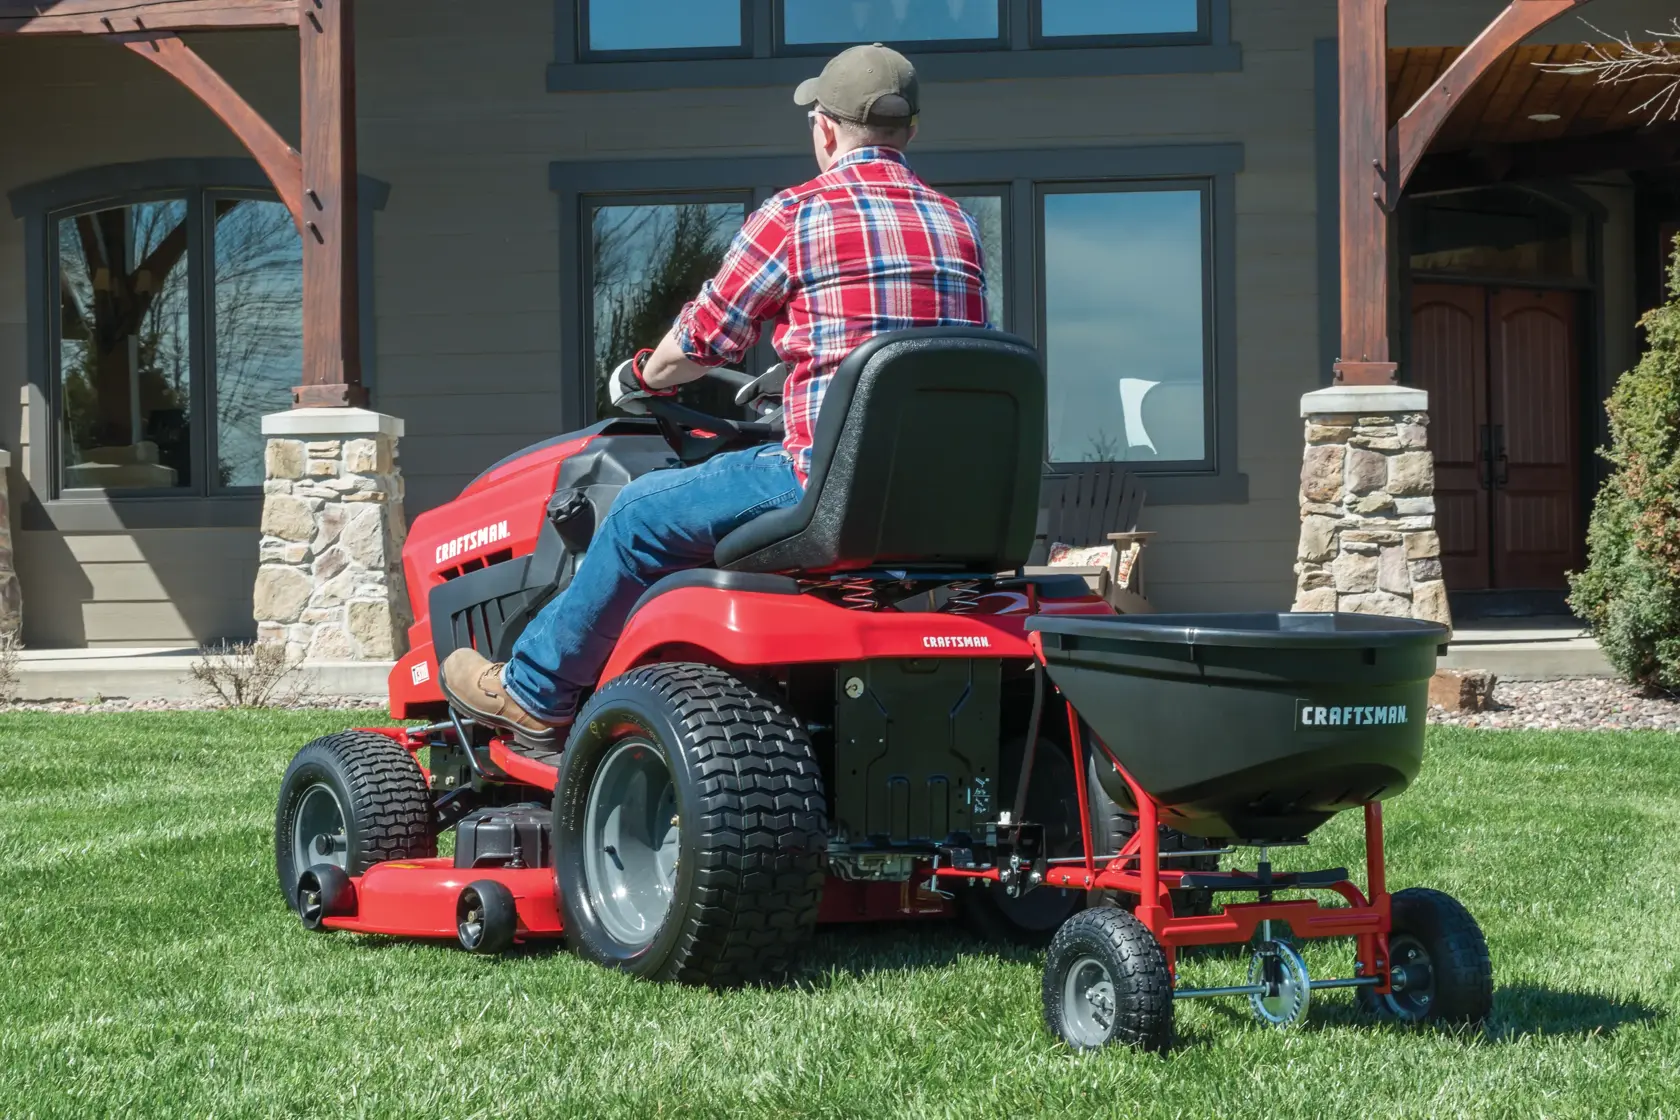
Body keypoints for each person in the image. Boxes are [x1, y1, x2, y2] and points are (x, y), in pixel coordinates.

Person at [441, 43, 990, 746]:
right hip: (937, 501)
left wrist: (640, 376)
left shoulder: (796, 215)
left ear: (824, 129)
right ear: (910, 131)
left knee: (639, 513)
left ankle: (535, 692)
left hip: (821, 487)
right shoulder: (959, 227)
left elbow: (702, 342)